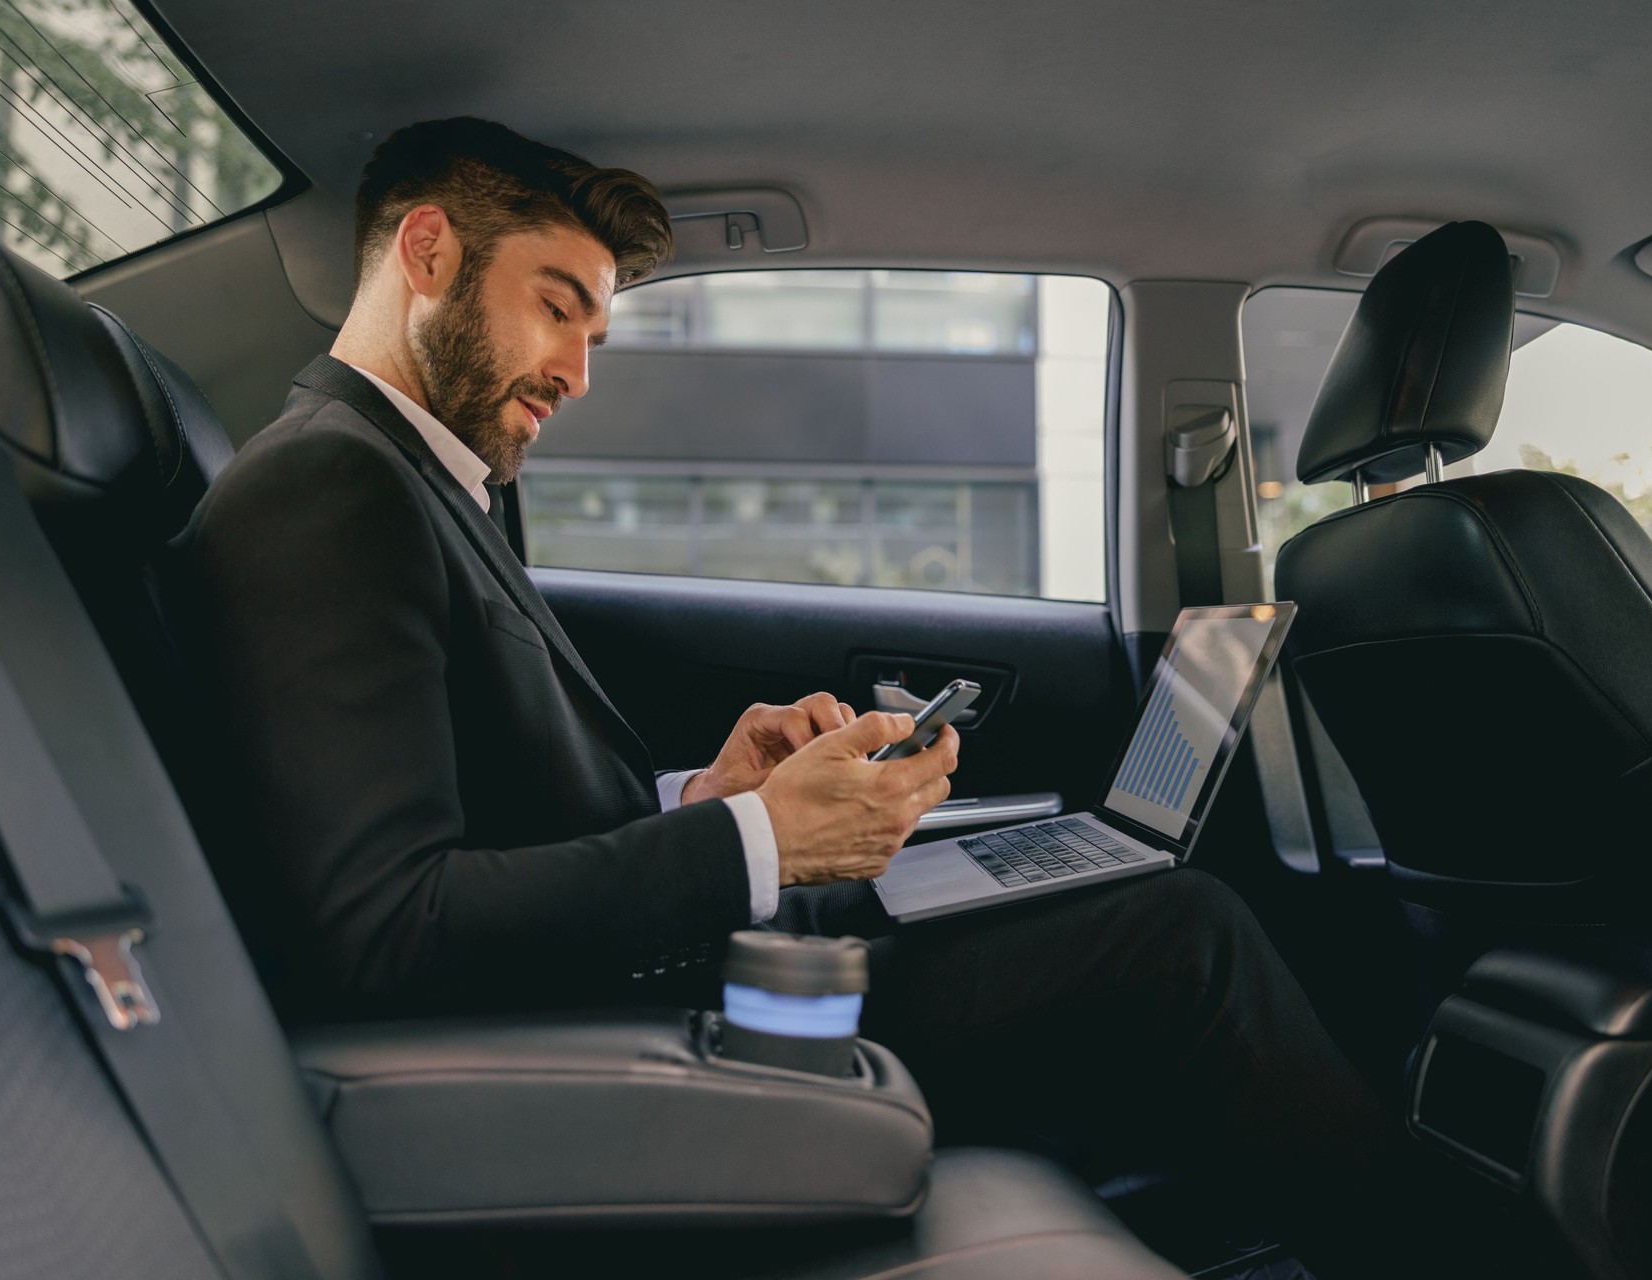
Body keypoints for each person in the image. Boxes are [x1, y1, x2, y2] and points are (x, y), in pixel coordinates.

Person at [178, 117, 1398, 1267]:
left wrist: (714, 787)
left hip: (675, 964)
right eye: (559, 308)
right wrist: (760, 839)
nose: (579, 373)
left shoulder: (424, 482)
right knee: (1185, 937)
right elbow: (384, 932)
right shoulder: (328, 489)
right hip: (643, 1034)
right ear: (429, 252)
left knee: (1150, 895)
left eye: (596, 335)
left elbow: (496, 806)